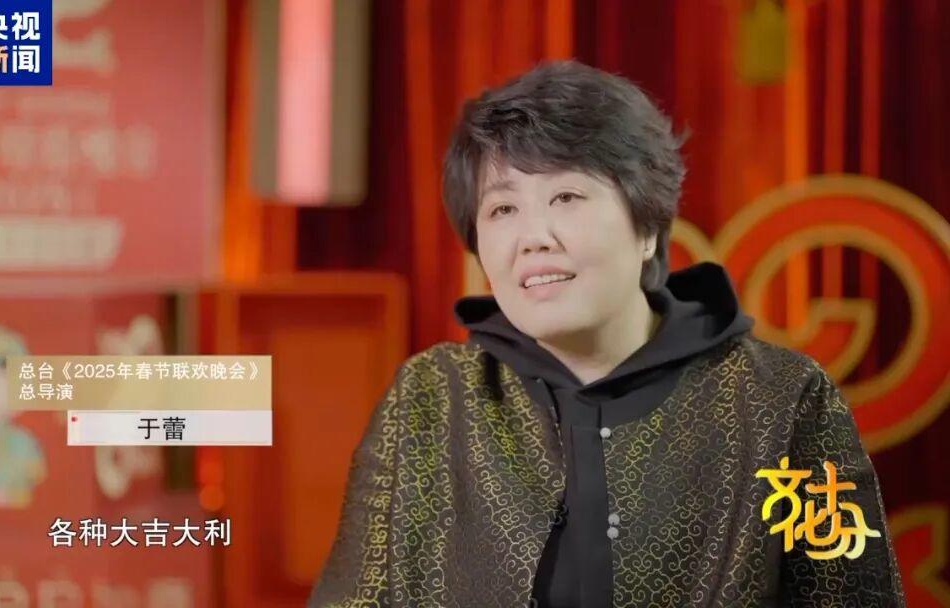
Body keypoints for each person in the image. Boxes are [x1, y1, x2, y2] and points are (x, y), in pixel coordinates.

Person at [308, 60, 905, 608]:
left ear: (646, 228)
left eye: (566, 196)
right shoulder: (431, 399)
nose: (534, 238)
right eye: (502, 209)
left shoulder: (779, 400)